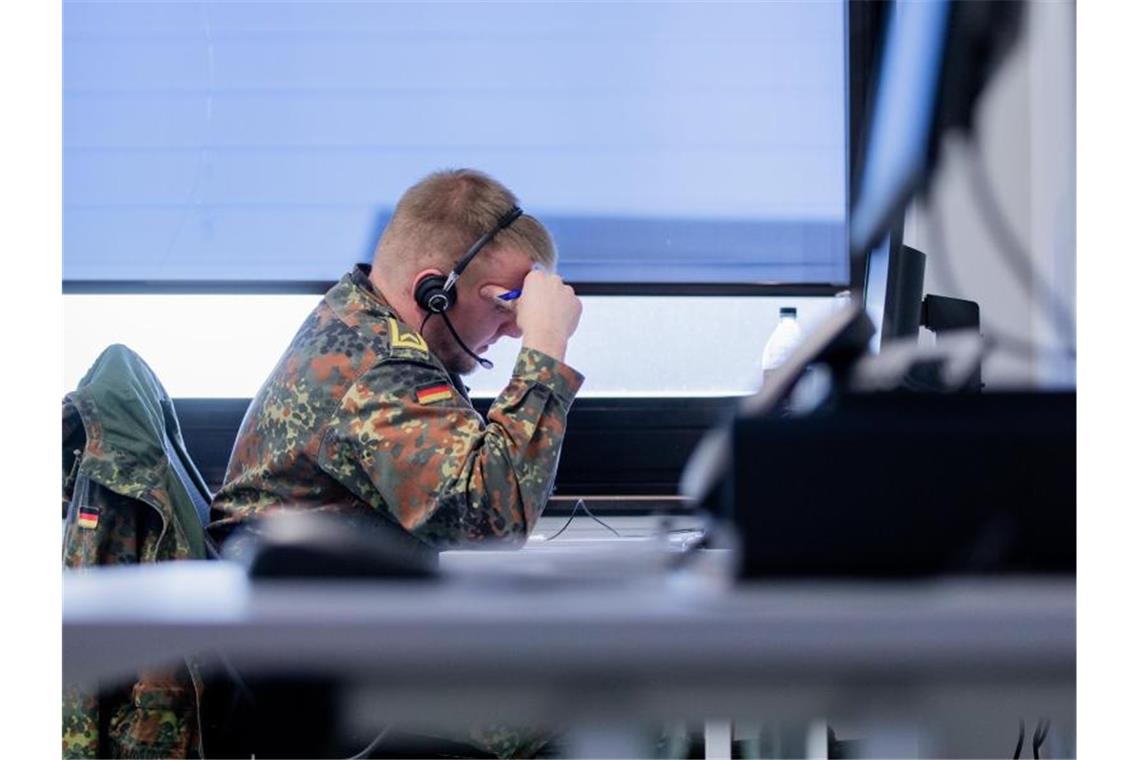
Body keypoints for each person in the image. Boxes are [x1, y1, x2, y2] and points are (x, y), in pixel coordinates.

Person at [209, 168, 584, 549]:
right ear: (433, 292)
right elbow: (492, 522)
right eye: (504, 303)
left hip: (326, 593)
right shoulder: (377, 367)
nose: (517, 328)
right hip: (306, 602)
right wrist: (546, 341)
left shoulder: (359, 316)